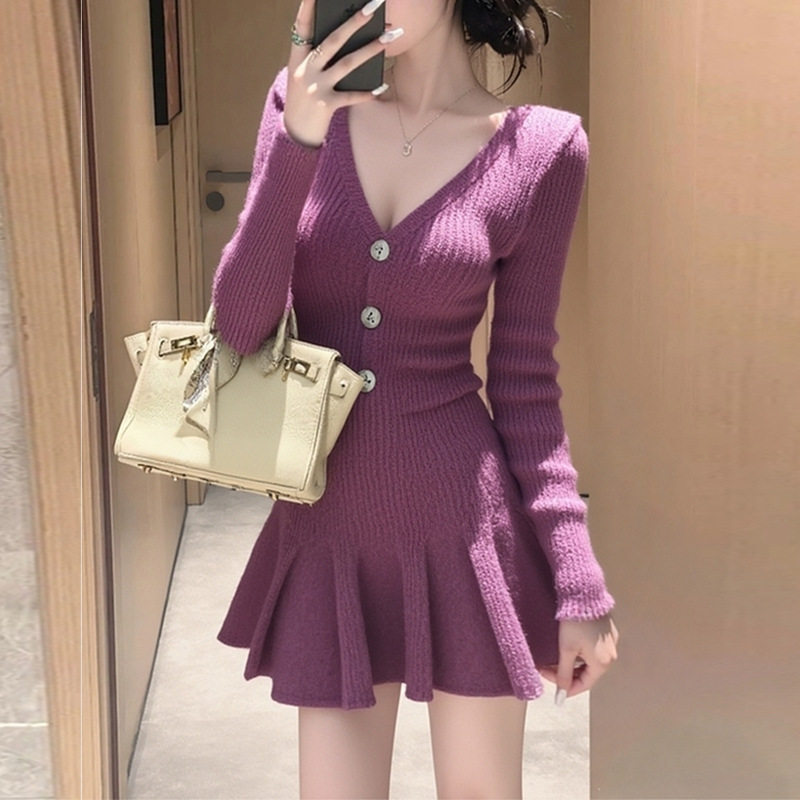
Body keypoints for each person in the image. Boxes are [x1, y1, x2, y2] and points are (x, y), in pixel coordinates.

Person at [211, 0, 620, 796]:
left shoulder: (541, 149)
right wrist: (297, 139)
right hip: (328, 527)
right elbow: (239, 327)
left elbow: (526, 382)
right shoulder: (300, 110)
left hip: (466, 532)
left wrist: (578, 579)